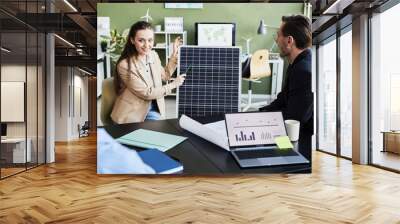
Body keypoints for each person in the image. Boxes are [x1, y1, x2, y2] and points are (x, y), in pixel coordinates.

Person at [111, 21, 186, 124]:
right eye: (141, 40)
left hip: (155, 107)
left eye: (150, 40)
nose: (147, 45)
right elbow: (147, 93)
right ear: (132, 40)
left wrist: (174, 55)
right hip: (135, 113)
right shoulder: (125, 65)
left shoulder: (153, 55)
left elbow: (165, 76)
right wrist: (174, 85)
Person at [259, 15, 313, 135]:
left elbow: (294, 118)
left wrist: (261, 121)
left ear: (289, 41)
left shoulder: (303, 71)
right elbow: (283, 98)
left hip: (300, 137)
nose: (277, 40)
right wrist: (262, 113)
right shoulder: (297, 63)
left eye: (278, 36)